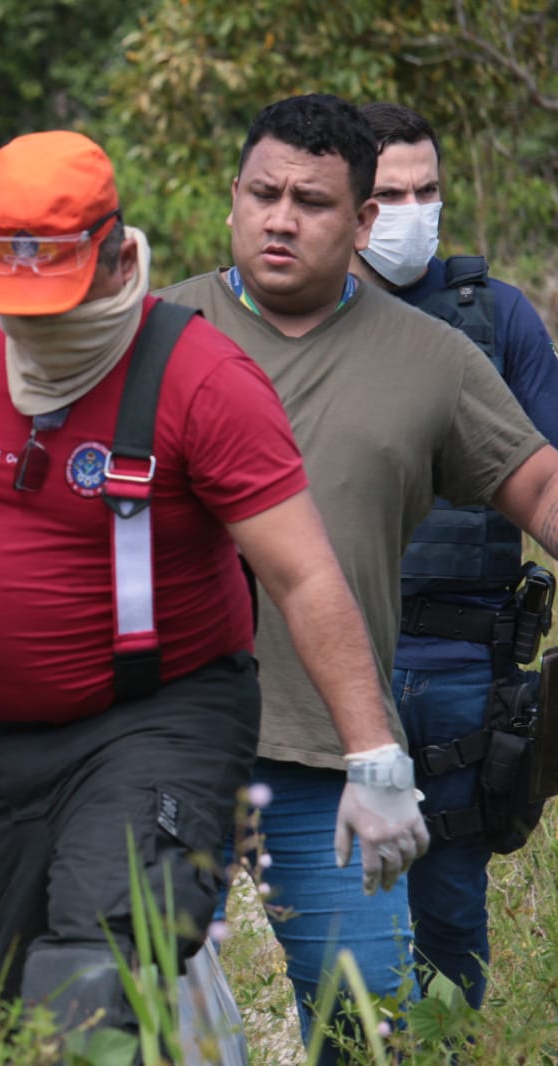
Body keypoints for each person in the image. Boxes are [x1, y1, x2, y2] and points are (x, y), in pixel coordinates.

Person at [0, 129, 423, 1041]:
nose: (32, 326)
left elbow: (304, 573)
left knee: (89, 982)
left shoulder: (200, 378)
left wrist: (375, 761)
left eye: (56, 300)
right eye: (14, 302)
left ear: (119, 257)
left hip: (152, 721)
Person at [157, 93, 558, 1057]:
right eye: (262, 194)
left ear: (362, 221)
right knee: (145, 1013)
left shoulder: (431, 358)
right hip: (163, 742)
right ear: (232, 199)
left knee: (368, 1025)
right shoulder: (159, 332)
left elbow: (537, 483)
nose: (281, 218)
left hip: (334, 758)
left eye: (311, 201)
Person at [353, 101, 558, 1011]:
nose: (411, 210)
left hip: (461, 665)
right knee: (337, 923)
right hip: (331, 658)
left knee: (448, 920)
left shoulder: (497, 316)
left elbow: (548, 479)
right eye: (388, 192)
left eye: (426, 189)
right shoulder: (299, 312)